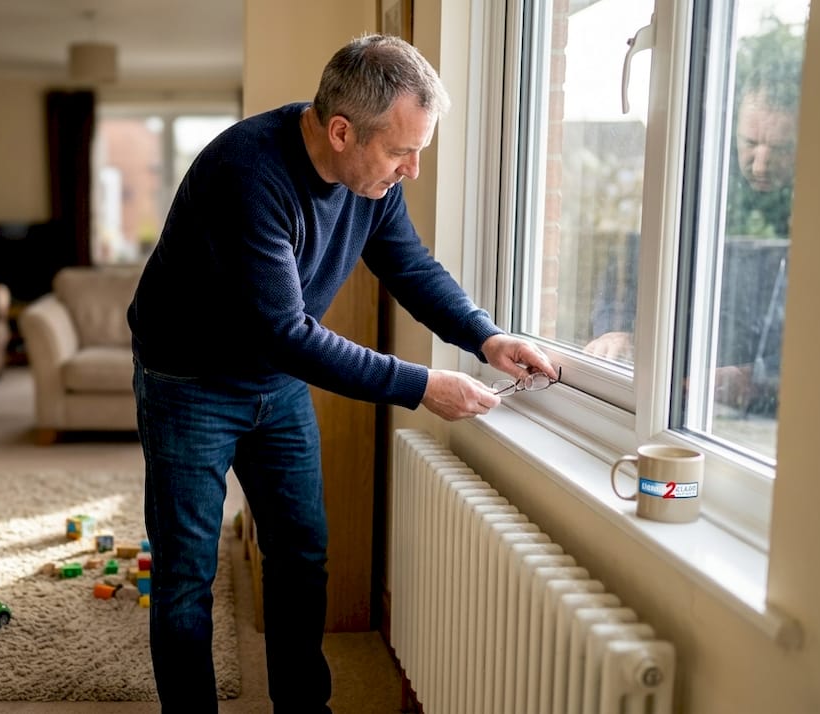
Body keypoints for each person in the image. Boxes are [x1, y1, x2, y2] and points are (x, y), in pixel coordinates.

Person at [127, 34, 557, 712]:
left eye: (419, 150)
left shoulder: (372, 178)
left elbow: (409, 267)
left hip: (276, 382)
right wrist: (420, 386)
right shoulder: (246, 172)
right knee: (185, 575)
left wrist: (485, 335)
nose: (412, 169)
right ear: (340, 130)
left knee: (301, 554)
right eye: (400, 151)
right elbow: (287, 333)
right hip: (190, 380)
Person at [584, 21, 801, 417]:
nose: (762, 162)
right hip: (671, 399)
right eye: (750, 143)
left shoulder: (813, 214)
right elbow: (632, 270)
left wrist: (758, 375)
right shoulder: (695, 186)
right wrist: (616, 328)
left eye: (780, 147)